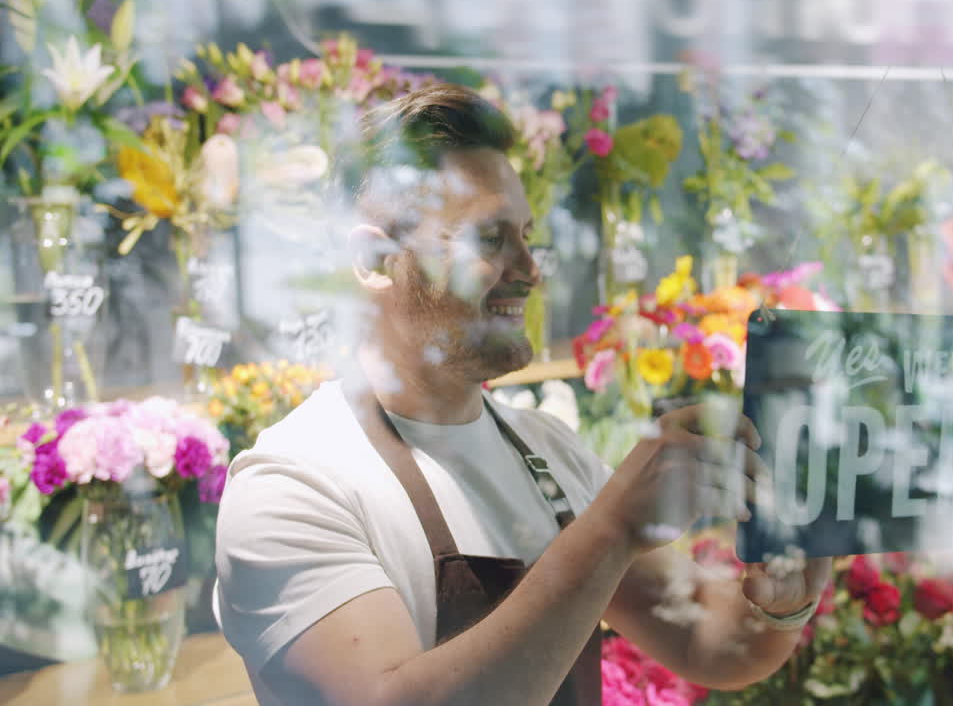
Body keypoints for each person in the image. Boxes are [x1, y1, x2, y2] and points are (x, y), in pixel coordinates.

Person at [214, 82, 832, 706]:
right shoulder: (291, 486)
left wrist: (782, 602)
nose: (531, 269)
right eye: (489, 238)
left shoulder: (546, 452)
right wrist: (613, 528)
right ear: (376, 258)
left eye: (527, 236)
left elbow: (704, 638)